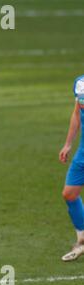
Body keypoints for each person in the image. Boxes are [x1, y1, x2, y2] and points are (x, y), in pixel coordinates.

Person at [59, 75, 84, 261]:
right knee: (69, 194)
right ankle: (82, 240)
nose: (82, 103)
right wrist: (68, 144)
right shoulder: (80, 83)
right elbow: (76, 114)